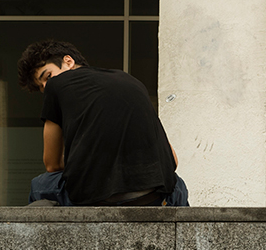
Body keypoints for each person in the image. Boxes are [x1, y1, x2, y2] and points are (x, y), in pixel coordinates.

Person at [16, 40, 185, 207]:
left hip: (94, 198)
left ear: (68, 61)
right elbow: (173, 161)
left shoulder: (56, 86)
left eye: (47, 76)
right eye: (42, 87)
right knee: (177, 184)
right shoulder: (130, 80)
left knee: (39, 185)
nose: (46, 86)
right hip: (151, 197)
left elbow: (52, 165)